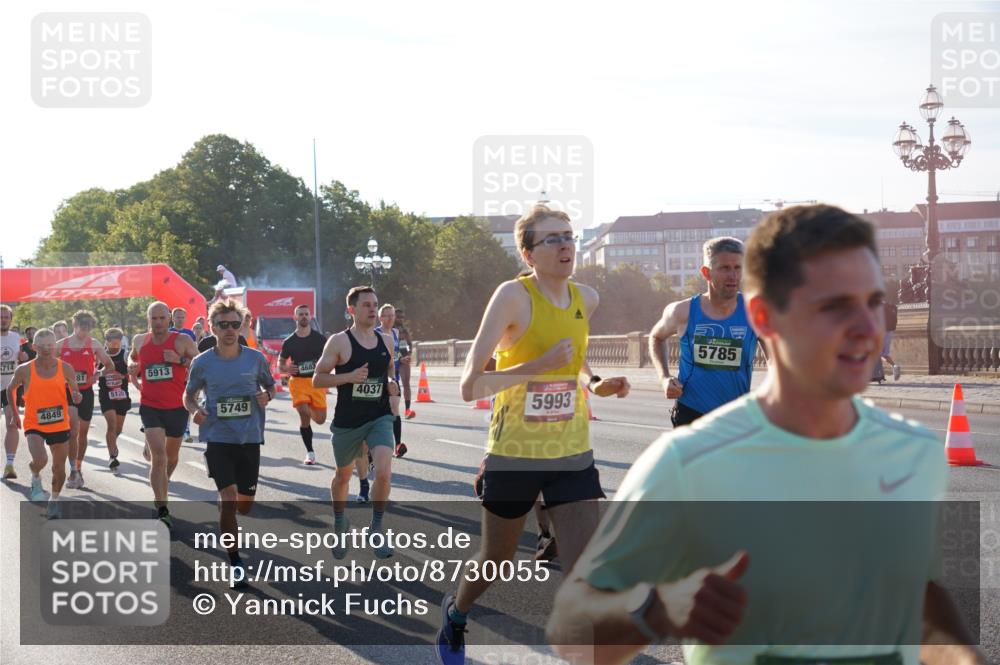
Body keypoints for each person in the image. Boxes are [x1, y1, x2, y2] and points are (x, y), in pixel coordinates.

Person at [547, 204, 985, 665]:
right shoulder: (686, 461)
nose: (865, 329)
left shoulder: (912, 450)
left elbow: (919, 598)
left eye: (873, 301)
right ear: (765, 317)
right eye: (832, 304)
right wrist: (658, 611)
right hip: (696, 412)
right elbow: (571, 630)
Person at [436, 204, 630, 665]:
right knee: (496, 561)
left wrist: (594, 383)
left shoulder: (588, 297)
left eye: (569, 236)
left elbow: (575, 359)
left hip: (571, 452)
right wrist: (533, 367)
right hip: (514, 453)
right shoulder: (512, 298)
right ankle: (456, 613)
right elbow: (470, 386)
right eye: (553, 239)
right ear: (528, 254)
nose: (566, 245)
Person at [185, 299, 275, 589]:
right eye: (223, 325)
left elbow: (270, 385)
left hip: (249, 438)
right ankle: (235, 562)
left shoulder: (255, 358)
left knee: (244, 507)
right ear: (212, 327)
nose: (229, 330)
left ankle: (230, 519)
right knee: (229, 498)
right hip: (218, 438)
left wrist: (267, 396)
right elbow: (188, 396)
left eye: (235, 324)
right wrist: (195, 411)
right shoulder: (202, 362)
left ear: (242, 326)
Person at [312, 286, 400, 560]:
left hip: (379, 416)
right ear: (352, 310)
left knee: (383, 471)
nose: (373, 309)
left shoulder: (386, 340)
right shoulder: (339, 342)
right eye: (366, 305)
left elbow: (389, 376)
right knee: (342, 476)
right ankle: (340, 522)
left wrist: (392, 388)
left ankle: (376, 527)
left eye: (375, 304)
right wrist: (347, 377)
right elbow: (318, 379)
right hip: (348, 421)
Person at [648, 236, 762, 428]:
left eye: (737, 268)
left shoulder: (755, 312)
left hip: (737, 415)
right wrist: (664, 378)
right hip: (691, 414)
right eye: (725, 268)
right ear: (706, 273)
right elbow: (656, 337)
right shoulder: (682, 311)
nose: (733, 276)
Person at [130, 301, 199, 528]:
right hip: (150, 406)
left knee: (170, 458)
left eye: (162, 318)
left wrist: (179, 360)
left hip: (177, 406)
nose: (158, 323)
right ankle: (162, 507)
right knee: (158, 457)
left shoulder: (182, 340)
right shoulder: (140, 340)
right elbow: (132, 357)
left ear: (169, 318)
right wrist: (132, 366)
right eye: (153, 318)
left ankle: (162, 484)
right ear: (147, 319)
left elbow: (200, 365)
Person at [6, 328, 81, 519]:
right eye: (43, 346)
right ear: (34, 347)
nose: (47, 349)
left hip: (59, 424)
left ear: (55, 346)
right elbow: (10, 389)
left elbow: (74, 388)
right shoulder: (24, 370)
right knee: (40, 460)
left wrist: (76, 395)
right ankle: (35, 475)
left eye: (50, 345)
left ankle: (54, 501)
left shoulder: (65, 367)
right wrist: (15, 414)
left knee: (58, 468)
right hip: (34, 423)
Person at [58, 310, 116, 489]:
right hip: (67, 392)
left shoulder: (94, 344)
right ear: (74, 326)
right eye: (81, 328)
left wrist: (98, 373)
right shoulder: (62, 345)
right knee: (73, 429)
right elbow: (48, 364)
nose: (84, 332)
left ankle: (78, 467)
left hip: (87, 392)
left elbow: (110, 365)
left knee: (82, 433)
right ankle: (73, 470)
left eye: (87, 328)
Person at [279, 304, 329, 465]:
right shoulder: (289, 341)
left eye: (306, 314)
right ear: (295, 317)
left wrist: (324, 368)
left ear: (310, 316)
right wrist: (286, 368)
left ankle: (310, 447)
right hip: (298, 381)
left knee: (320, 420)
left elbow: (330, 358)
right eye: (300, 314)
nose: (304, 317)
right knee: (302, 412)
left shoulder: (320, 339)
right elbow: (280, 365)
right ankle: (310, 452)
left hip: (316, 382)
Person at [375, 303, 411, 459]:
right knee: (377, 413)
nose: (390, 318)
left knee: (395, 409)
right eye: (387, 315)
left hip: (393, 378)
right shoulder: (374, 333)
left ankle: (398, 444)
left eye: (392, 315)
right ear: (380, 318)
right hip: (376, 379)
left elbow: (397, 353)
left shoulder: (396, 333)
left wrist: (403, 359)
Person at [97, 328, 131, 472]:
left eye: (118, 343)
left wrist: (123, 376)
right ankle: (112, 457)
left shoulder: (125, 355)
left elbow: (132, 372)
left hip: (121, 395)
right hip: (106, 395)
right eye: (113, 343)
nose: (116, 346)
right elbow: (93, 371)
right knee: (111, 425)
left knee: (118, 429)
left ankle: (112, 443)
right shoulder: (100, 356)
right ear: (107, 342)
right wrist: (101, 374)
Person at [2, 305, 27, 479]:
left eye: (6, 317)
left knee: (12, 424)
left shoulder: (16, 337)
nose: (3, 320)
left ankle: (9, 464)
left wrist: (23, 358)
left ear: (10, 320)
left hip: (10, 386)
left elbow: (22, 358)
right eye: (0, 317)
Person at [395, 308, 416, 419]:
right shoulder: (388, 329)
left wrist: (408, 354)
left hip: (403, 360)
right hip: (391, 361)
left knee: (406, 385)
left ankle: (407, 410)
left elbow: (407, 344)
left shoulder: (404, 330)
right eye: (398, 316)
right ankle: (392, 410)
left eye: (402, 317)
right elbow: (388, 348)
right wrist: (398, 358)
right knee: (393, 385)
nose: (401, 319)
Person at [16, 325, 38, 409]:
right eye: (29, 333)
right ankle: (16, 416)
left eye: (33, 333)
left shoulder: (41, 346)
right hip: (24, 377)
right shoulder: (22, 347)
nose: (31, 335)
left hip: (37, 376)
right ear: (26, 335)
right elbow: (17, 361)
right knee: (20, 400)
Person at [881, 300, 901, 381]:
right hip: (890, 330)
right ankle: (894, 366)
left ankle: (877, 374)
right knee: (884, 354)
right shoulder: (891, 305)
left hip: (881, 330)